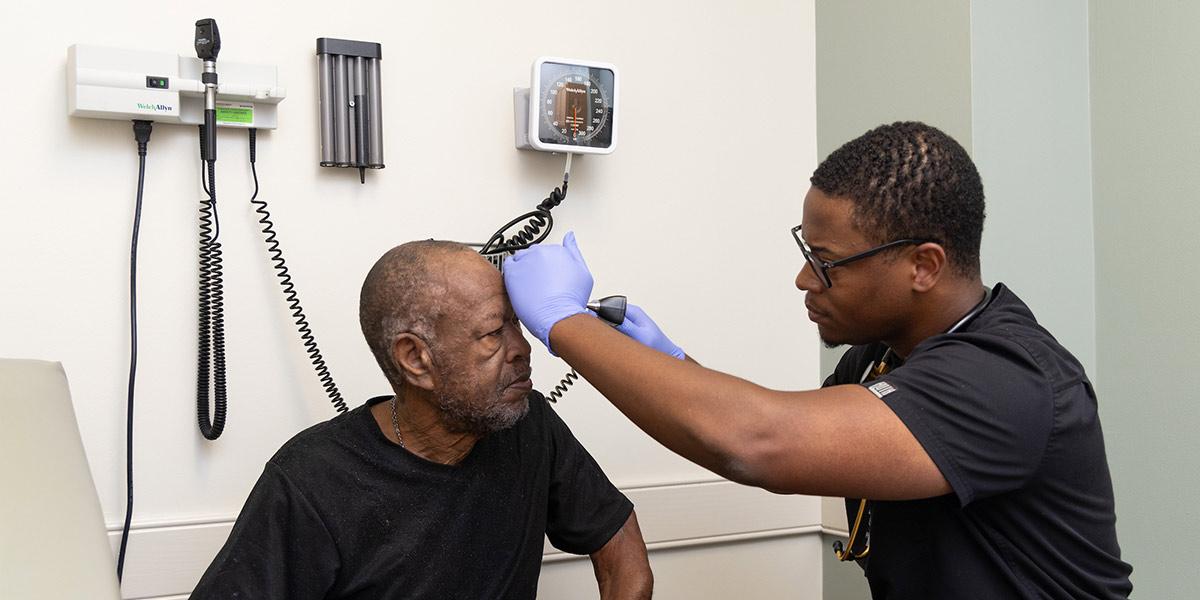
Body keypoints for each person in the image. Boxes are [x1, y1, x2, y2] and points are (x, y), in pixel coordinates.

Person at [501, 122, 1133, 599]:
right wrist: (674, 364)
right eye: (807, 250)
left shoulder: (1006, 378)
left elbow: (758, 443)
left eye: (827, 262)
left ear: (924, 265)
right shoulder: (884, 357)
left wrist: (564, 322)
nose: (805, 278)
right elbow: (808, 433)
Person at [192, 240, 652, 599]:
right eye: (495, 332)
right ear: (416, 359)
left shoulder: (529, 426)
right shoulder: (312, 481)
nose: (523, 348)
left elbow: (620, 544)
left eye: (518, 324)